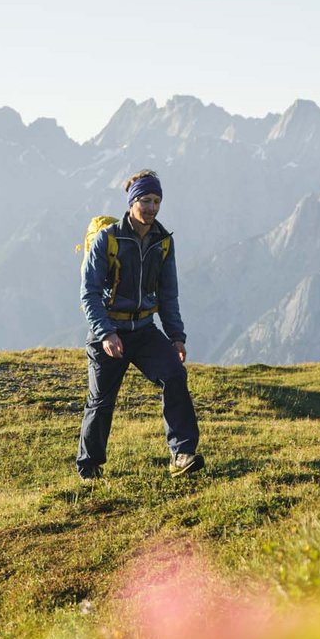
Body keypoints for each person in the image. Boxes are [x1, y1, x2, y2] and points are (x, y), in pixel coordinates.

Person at [77, 169, 202, 480]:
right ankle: (89, 467)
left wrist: (176, 336)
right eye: (146, 200)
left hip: (145, 331)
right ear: (132, 202)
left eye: (157, 201)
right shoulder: (108, 239)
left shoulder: (163, 242)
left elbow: (168, 294)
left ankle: (182, 454)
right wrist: (106, 333)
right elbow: (88, 293)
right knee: (102, 401)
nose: (152, 207)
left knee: (174, 374)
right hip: (110, 330)